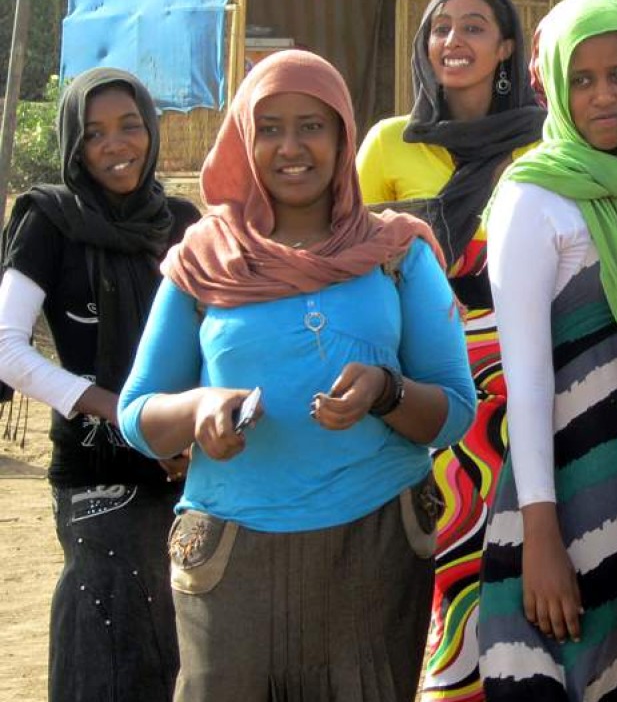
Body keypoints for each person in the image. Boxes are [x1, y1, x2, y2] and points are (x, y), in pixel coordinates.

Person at [117, 50, 477, 701]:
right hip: (232, 563)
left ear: (343, 136)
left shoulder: (396, 253)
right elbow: (136, 413)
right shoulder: (204, 262)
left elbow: (455, 405)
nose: (292, 146)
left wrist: (385, 390)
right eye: (271, 127)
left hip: (372, 552)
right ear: (243, 140)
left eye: (312, 125)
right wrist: (198, 408)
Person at [356, 0, 545, 700]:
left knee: (510, 570)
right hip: (417, 397)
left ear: (505, 48)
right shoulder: (387, 145)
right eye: (440, 28)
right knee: (418, 572)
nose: (453, 41)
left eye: (474, 27)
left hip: (517, 396)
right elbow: (356, 270)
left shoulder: (543, 145)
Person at [476, 0, 617, 701]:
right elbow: (525, 378)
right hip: (559, 497)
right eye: (581, 80)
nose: (605, 96)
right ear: (553, 86)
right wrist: (540, 538)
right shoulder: (532, 197)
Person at [0, 68, 198, 701]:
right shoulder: (49, 220)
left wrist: (193, 430)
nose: (117, 145)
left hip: (188, 473)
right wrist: (130, 417)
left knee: (180, 648)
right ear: (74, 147)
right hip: (98, 475)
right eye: (95, 134)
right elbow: (7, 349)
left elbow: (220, 335)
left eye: (130, 126)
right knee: (106, 649)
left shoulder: (182, 223)